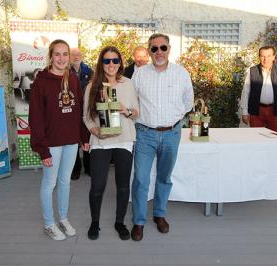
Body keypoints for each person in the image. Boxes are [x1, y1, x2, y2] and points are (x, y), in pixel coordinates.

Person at [131, 33, 194, 241]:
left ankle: (159, 214)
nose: (159, 52)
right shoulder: (139, 74)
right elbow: (132, 102)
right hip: (145, 134)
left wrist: (172, 119)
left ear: (169, 49)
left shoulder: (181, 73)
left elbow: (188, 103)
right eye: (154, 48)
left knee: (164, 178)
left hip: (171, 134)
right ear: (149, 51)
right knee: (140, 179)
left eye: (163, 48)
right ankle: (139, 221)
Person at [29, 40, 88, 241]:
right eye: (57, 54)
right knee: (49, 183)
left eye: (65, 54)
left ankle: (62, 218)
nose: (61, 58)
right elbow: (35, 118)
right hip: (51, 144)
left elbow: (79, 111)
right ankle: (49, 223)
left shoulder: (72, 79)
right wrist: (42, 149)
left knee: (65, 182)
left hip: (71, 141)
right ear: (51, 56)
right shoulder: (41, 82)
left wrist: (83, 137)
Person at [83, 46, 139, 240]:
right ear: (101, 63)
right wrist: (96, 131)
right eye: (107, 61)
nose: (111, 64)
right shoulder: (93, 86)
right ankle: (95, 222)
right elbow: (86, 117)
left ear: (120, 63)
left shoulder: (128, 84)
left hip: (124, 140)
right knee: (97, 185)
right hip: (101, 141)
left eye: (115, 60)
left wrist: (126, 111)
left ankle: (119, 222)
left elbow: (136, 113)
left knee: (123, 185)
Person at [240, 46, 277, 133]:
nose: (265, 59)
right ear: (259, 57)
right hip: (256, 111)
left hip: (275, 111)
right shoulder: (252, 71)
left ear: (274, 57)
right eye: (262, 56)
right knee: (256, 138)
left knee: (275, 138)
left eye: (268, 56)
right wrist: (244, 112)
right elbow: (246, 92)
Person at [70, 47, 93, 180]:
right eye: (73, 55)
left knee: (87, 139)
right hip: (72, 111)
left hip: (86, 110)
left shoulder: (89, 71)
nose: (76, 57)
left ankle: (89, 167)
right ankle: (75, 169)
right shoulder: (66, 72)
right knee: (73, 141)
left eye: (78, 54)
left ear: (82, 56)